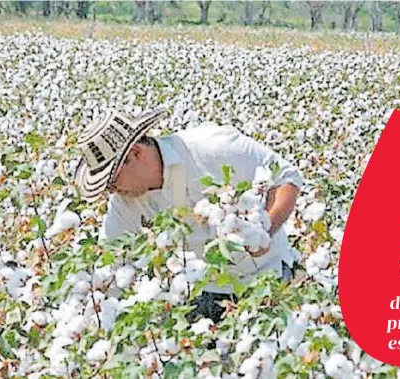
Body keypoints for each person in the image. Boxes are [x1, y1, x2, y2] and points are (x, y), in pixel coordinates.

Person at [74, 106, 303, 323]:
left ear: (135, 153)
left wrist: (265, 231)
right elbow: (110, 262)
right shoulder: (125, 205)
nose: (111, 191)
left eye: (111, 180)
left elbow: (285, 177)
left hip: (269, 276)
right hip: (206, 292)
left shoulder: (212, 148)